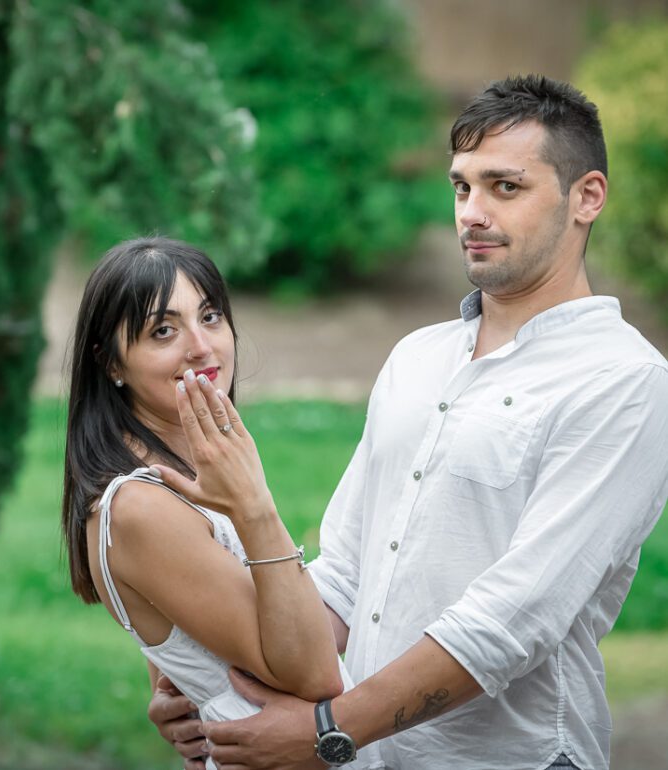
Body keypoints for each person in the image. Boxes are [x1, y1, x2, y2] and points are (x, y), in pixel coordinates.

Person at [148, 75, 668, 770]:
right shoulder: (415, 359)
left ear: (587, 197)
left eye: (504, 187)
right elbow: (344, 577)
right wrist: (215, 689)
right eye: (461, 187)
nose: (471, 214)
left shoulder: (624, 382)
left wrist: (329, 731)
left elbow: (516, 619)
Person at [61, 237, 383, 770]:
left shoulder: (184, 476)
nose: (201, 346)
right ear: (111, 364)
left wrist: (182, 688)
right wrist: (254, 508)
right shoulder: (140, 505)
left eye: (210, 316)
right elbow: (316, 676)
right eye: (163, 330)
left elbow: (175, 642)